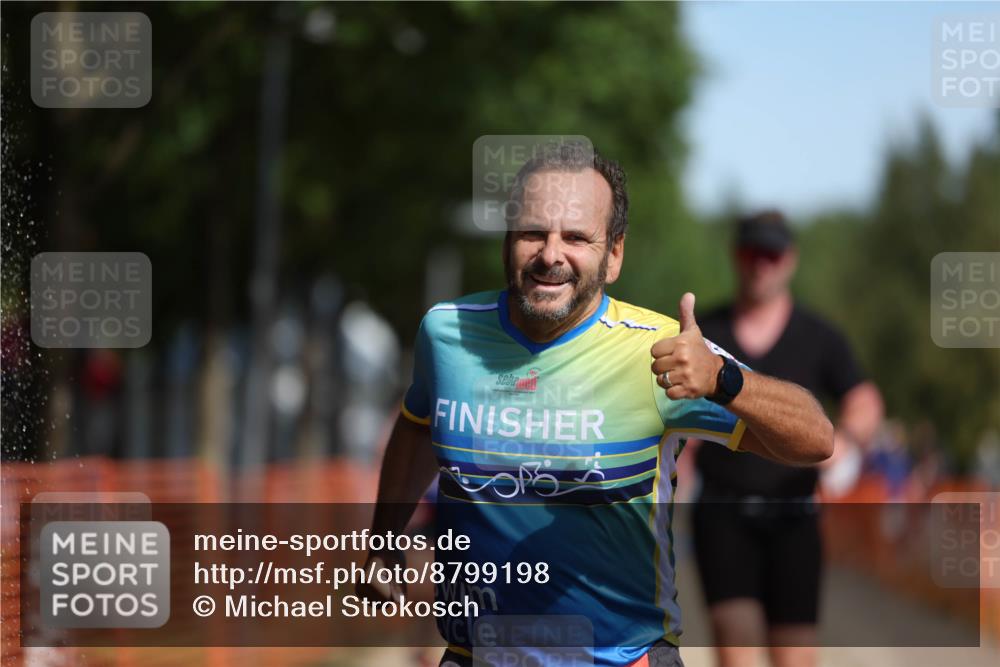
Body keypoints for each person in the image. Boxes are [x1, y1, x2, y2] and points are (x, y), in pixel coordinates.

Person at [360, 144, 833, 667]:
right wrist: (383, 539)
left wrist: (725, 380)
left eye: (576, 237)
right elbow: (418, 427)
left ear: (614, 255)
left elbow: (816, 438)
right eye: (533, 232)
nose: (550, 254)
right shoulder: (447, 333)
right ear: (507, 240)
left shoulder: (659, 351)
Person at [690, 210, 884, 667]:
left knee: (795, 658)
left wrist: (846, 441)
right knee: (736, 652)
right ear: (735, 256)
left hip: (795, 517)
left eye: (771, 254)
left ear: (790, 259)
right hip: (723, 512)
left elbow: (865, 400)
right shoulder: (706, 333)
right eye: (751, 253)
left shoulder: (819, 336)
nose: (761, 264)